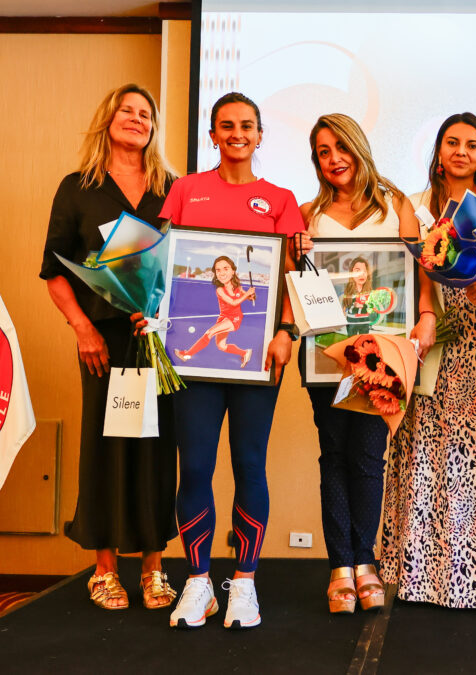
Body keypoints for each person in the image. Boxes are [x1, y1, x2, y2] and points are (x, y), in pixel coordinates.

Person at [162, 92, 305, 630]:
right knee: (196, 466)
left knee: (249, 465)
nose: (237, 134)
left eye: (247, 125)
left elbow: (293, 275)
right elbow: (161, 266)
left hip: (258, 361)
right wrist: (152, 313)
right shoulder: (185, 191)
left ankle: (244, 583)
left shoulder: (282, 200)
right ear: (213, 135)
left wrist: (286, 330)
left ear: (260, 135)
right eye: (227, 125)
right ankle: (198, 583)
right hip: (192, 368)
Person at [40, 83, 179, 611]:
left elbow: (188, 265)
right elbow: (54, 271)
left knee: (155, 448)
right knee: (106, 447)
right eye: (127, 111)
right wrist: (83, 329)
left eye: (146, 114)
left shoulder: (172, 189)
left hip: (157, 341)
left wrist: (164, 315)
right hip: (103, 344)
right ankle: (103, 570)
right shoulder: (78, 188)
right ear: (108, 119)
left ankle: (153, 567)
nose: (137, 119)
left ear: (153, 128)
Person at [380, 112, 476, 608]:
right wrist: (424, 314)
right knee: (425, 451)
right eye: (453, 142)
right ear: (439, 151)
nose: (461, 151)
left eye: (472, 144)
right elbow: (409, 272)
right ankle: (420, 577)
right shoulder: (416, 206)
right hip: (433, 339)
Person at [297, 113, 423, 614]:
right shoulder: (307, 215)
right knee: (333, 455)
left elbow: (419, 274)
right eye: (323, 152)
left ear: (359, 147)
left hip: (381, 360)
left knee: (368, 457)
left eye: (341, 147)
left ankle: (364, 562)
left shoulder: (397, 207)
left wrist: (426, 317)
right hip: (326, 358)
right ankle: (340, 568)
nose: (334, 159)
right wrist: (295, 254)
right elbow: (297, 286)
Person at [174, 256, 256, 367]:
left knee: (209, 333)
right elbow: (233, 302)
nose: (222, 273)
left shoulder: (238, 287)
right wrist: (247, 294)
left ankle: (187, 354)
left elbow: (246, 297)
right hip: (223, 318)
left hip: (234, 318)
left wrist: (250, 296)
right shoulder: (220, 290)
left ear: (233, 271)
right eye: (218, 270)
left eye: (226, 269)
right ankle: (245, 352)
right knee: (221, 346)